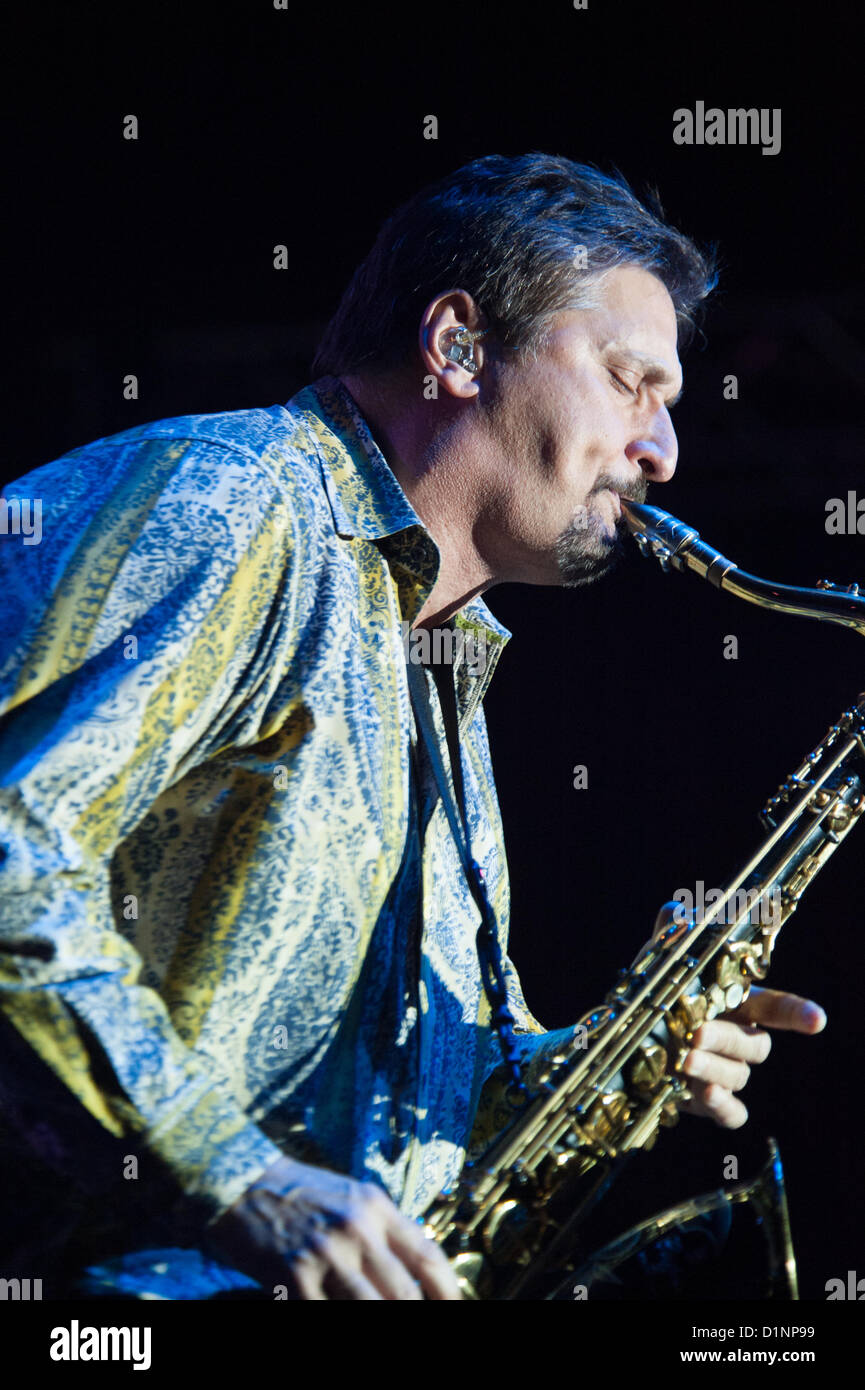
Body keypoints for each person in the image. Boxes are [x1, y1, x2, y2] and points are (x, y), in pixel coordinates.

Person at [0, 153, 826, 1302]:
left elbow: (394, 1105)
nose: (663, 454)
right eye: (629, 380)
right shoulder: (229, 505)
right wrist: (244, 1181)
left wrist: (600, 1069)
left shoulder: (439, 651)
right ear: (454, 346)